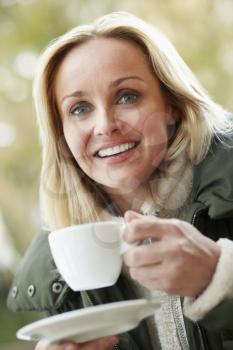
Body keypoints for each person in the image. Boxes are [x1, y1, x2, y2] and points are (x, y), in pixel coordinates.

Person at [7, 11, 233, 350]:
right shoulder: (60, 268)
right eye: (80, 109)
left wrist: (219, 276)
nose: (105, 125)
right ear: (61, 133)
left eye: (127, 96)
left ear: (170, 104)